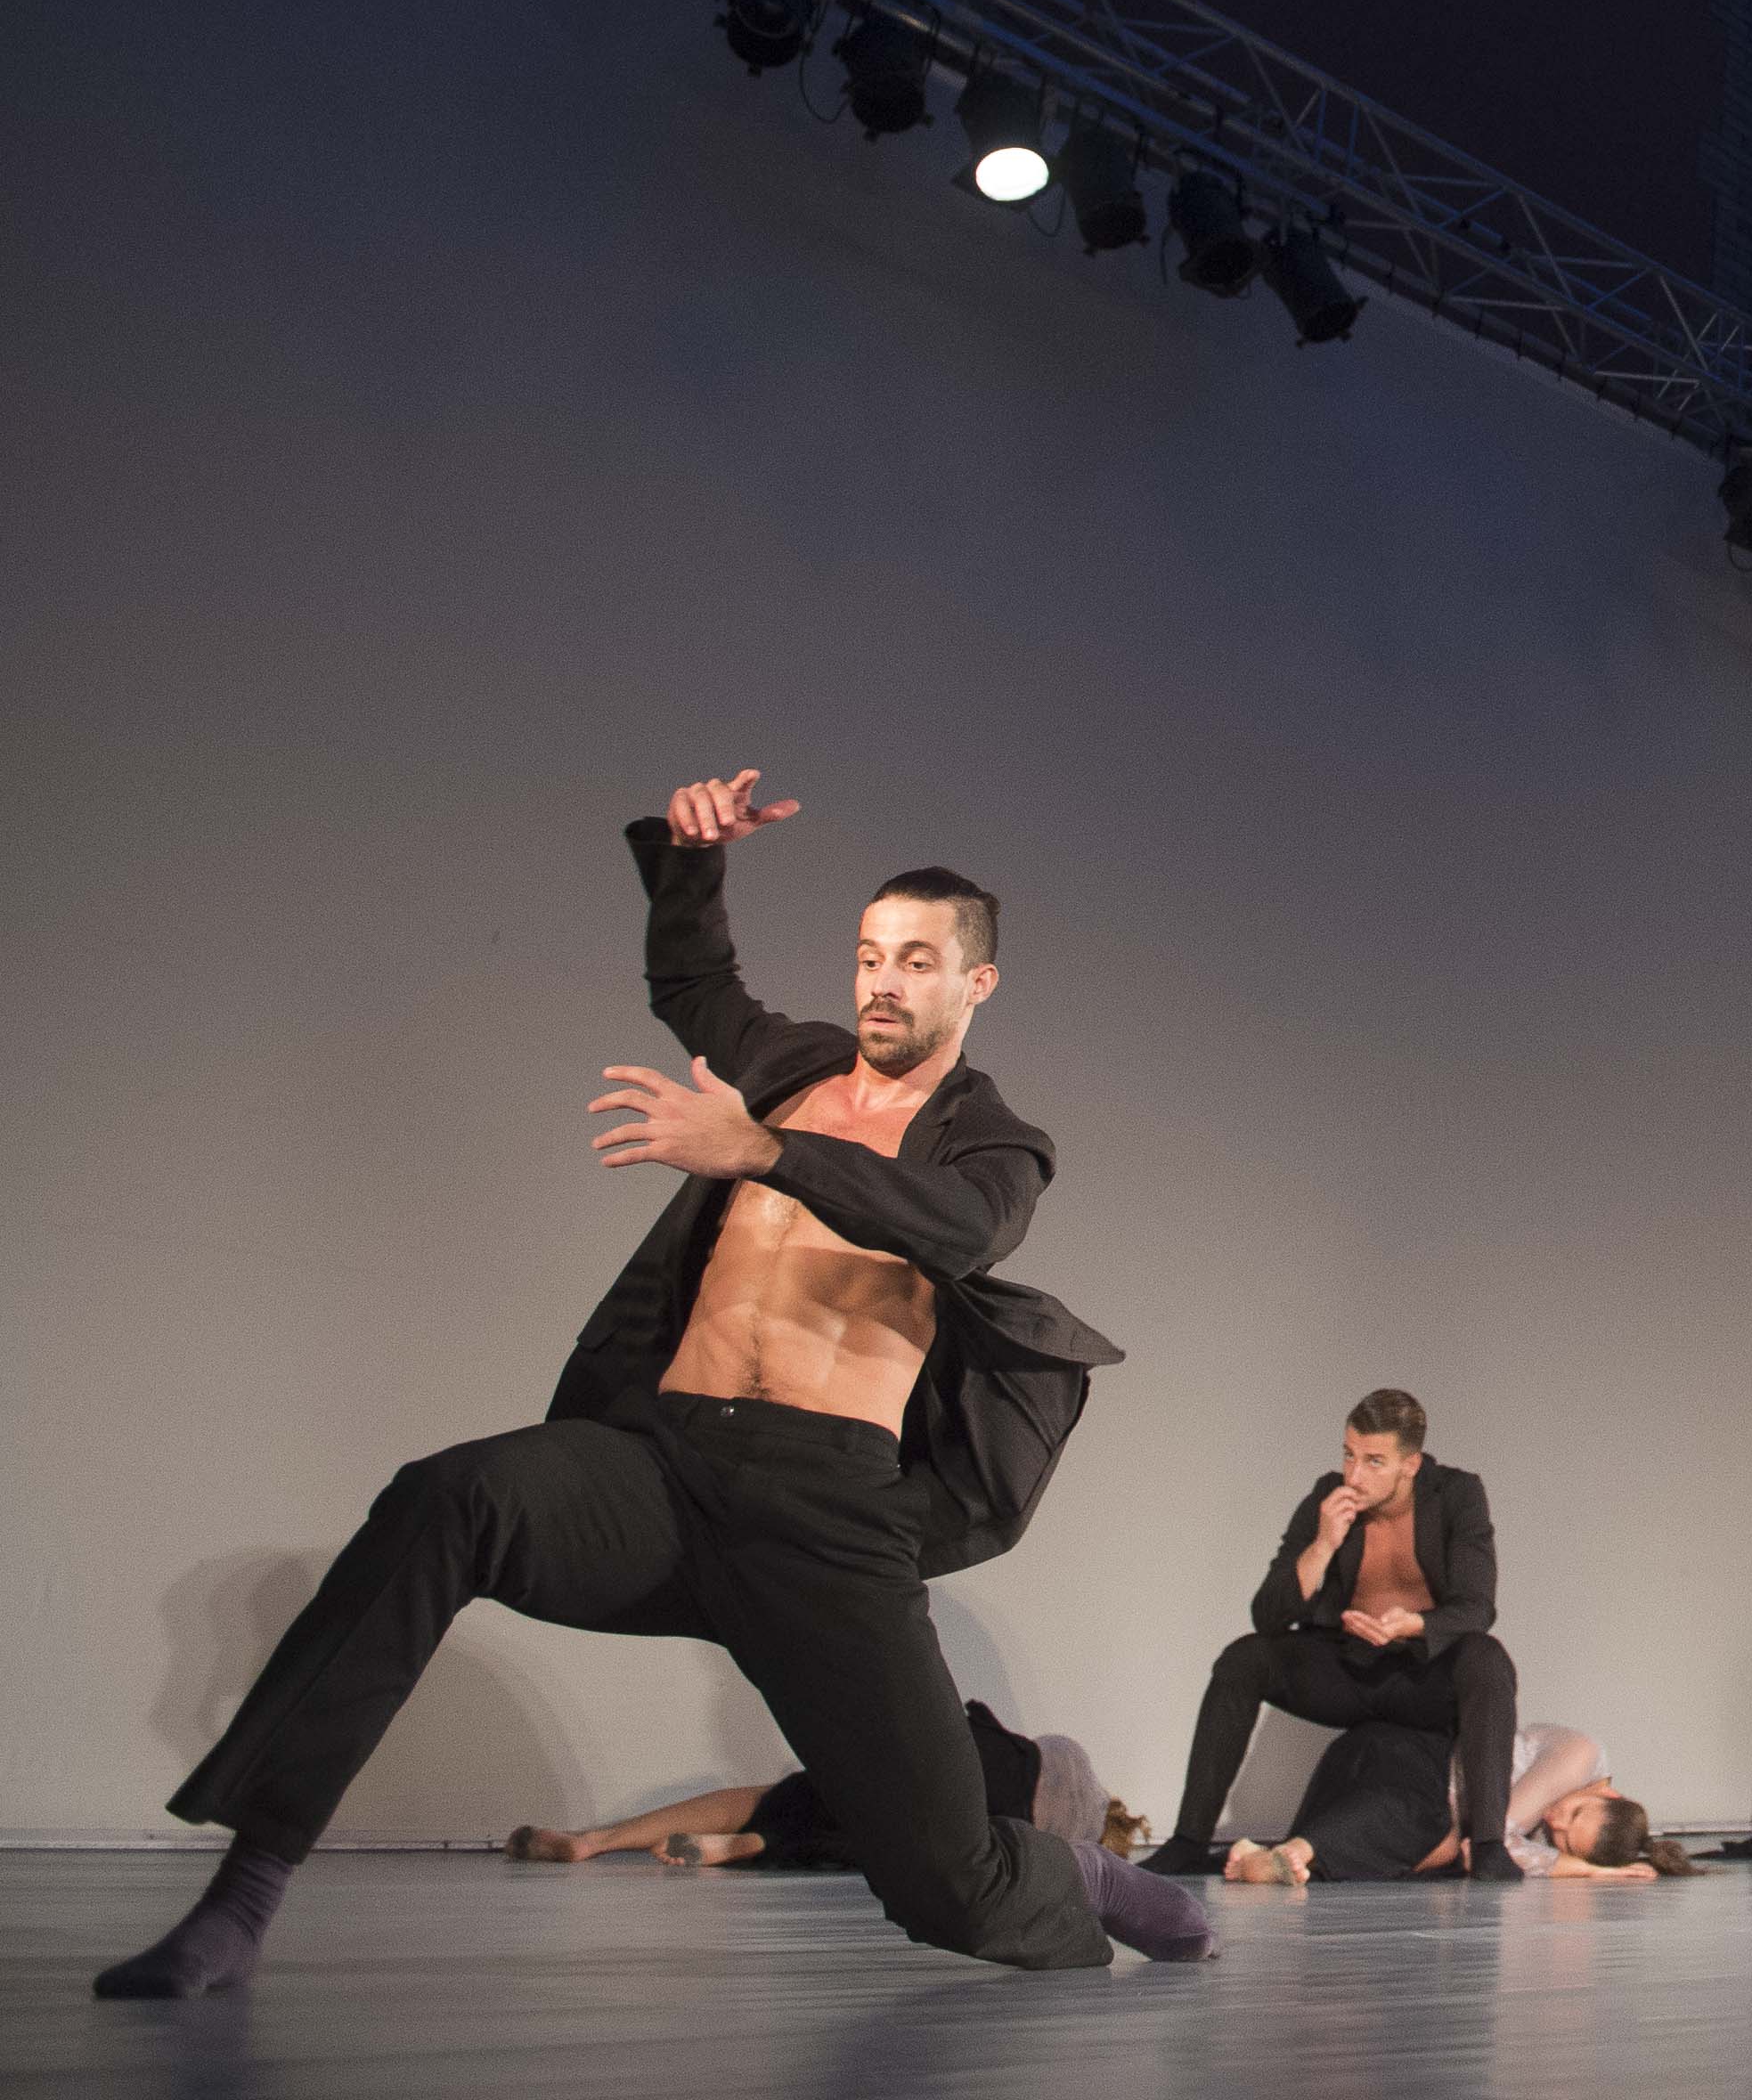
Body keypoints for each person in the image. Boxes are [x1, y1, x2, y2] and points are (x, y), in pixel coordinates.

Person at [95, 770, 1206, 1995]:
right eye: (869, 954)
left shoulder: (991, 1139)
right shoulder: (792, 1067)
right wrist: (694, 866)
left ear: (975, 983)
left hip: (823, 1513)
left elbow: (961, 1229)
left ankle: (1084, 1883)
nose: (884, 981)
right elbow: (693, 987)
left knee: (950, 1889)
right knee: (446, 1499)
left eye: (918, 961)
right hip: (666, 1464)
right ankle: (245, 1898)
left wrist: (765, 1153)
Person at [1148, 1392, 1519, 1879]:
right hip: (1349, 1668)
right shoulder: (1328, 1496)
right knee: (1245, 1659)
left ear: (1411, 1464)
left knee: (1486, 1658)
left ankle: (1489, 1845)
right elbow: (1269, 1616)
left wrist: (1412, 1625)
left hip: (1418, 1676)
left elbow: (1477, 1607)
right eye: (1349, 1454)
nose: (1355, 1475)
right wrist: (1323, 1544)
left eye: (1373, 1461)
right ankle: (1189, 1840)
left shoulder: (1456, 1494)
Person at [505, 1701, 1134, 1870]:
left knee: (770, 1794)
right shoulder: (1077, 1845)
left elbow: (997, 1735)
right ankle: (764, 1845)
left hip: (948, 1751)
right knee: (880, 1844)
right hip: (981, 1817)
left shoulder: (1076, 1761)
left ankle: (592, 1841)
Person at [1222, 1717, 1689, 1884]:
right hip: (1406, 1758)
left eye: (1563, 1838)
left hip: (1373, 1782)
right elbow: (1489, 1843)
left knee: (1421, 1854)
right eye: (1573, 1813)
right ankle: (1293, 1852)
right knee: (1433, 1831)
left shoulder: (1576, 1784)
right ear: (1609, 1792)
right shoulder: (1579, 1756)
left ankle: (1263, 1856)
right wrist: (1588, 1871)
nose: (1553, 1820)